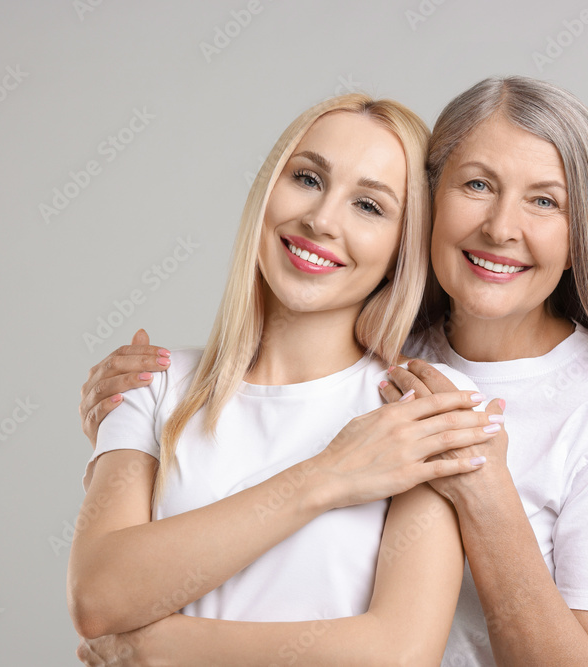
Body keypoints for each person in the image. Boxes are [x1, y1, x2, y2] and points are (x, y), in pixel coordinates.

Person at [79, 76, 588, 666]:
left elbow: (398, 651)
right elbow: (108, 586)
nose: (500, 228)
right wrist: (138, 425)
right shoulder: (385, 364)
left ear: (580, 237)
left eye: (544, 200)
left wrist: (486, 497)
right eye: (477, 185)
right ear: (430, 211)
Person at [68, 93, 506, 665]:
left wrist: (162, 648)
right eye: (307, 178)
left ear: (404, 244)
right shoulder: (153, 382)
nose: (321, 220)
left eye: (369, 206)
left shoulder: (422, 404)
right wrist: (326, 476)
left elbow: (399, 654)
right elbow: (98, 598)